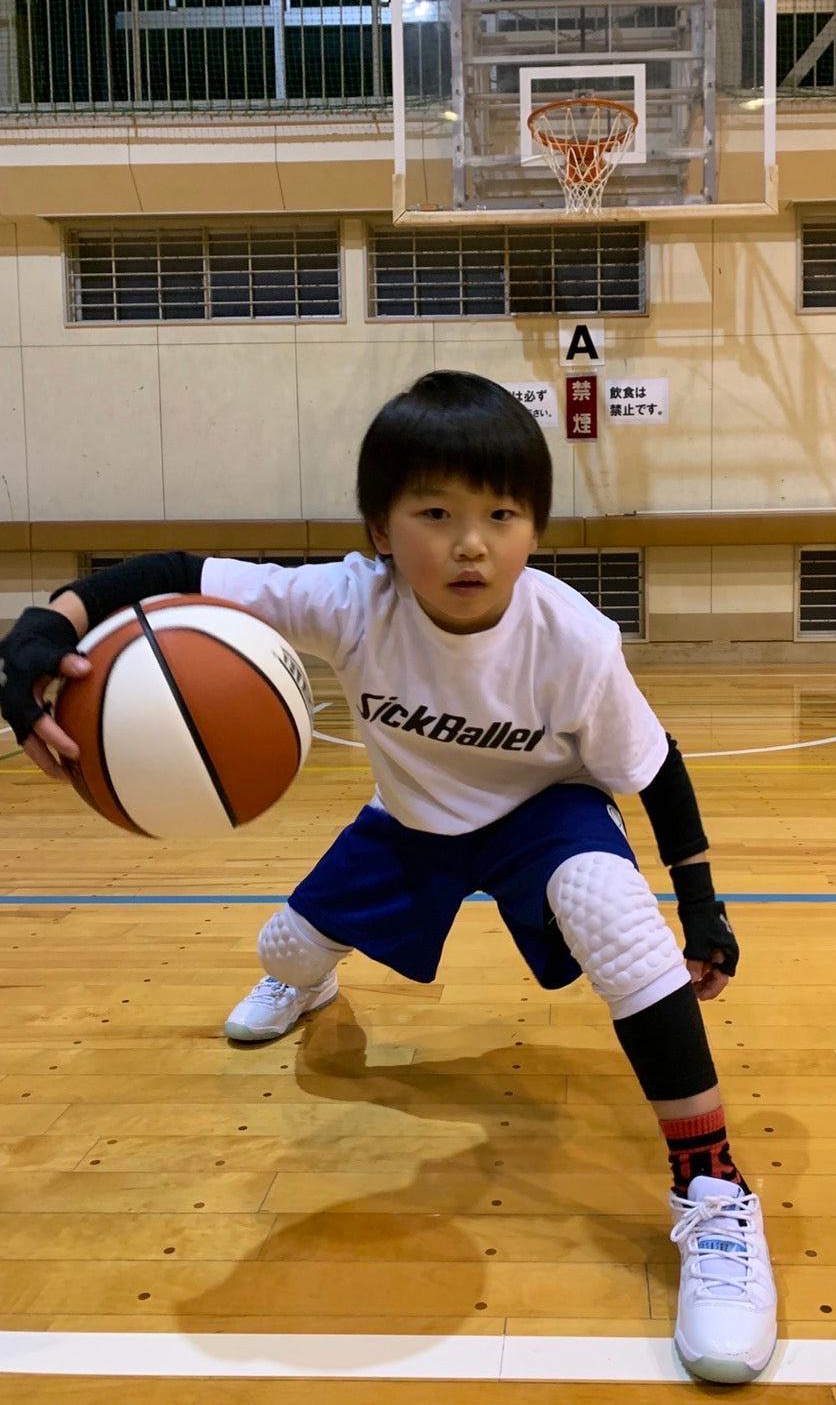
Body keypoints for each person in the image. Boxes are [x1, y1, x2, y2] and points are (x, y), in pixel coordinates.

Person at [0, 371, 778, 1384]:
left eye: (501, 513)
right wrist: (44, 624)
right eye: (436, 512)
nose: (471, 541)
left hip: (541, 818)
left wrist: (703, 904)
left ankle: (713, 1194)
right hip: (408, 822)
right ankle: (308, 975)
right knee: (278, 950)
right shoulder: (349, 600)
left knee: (607, 908)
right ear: (380, 528)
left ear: (533, 526)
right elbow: (172, 570)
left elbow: (655, 766)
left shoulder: (572, 636)